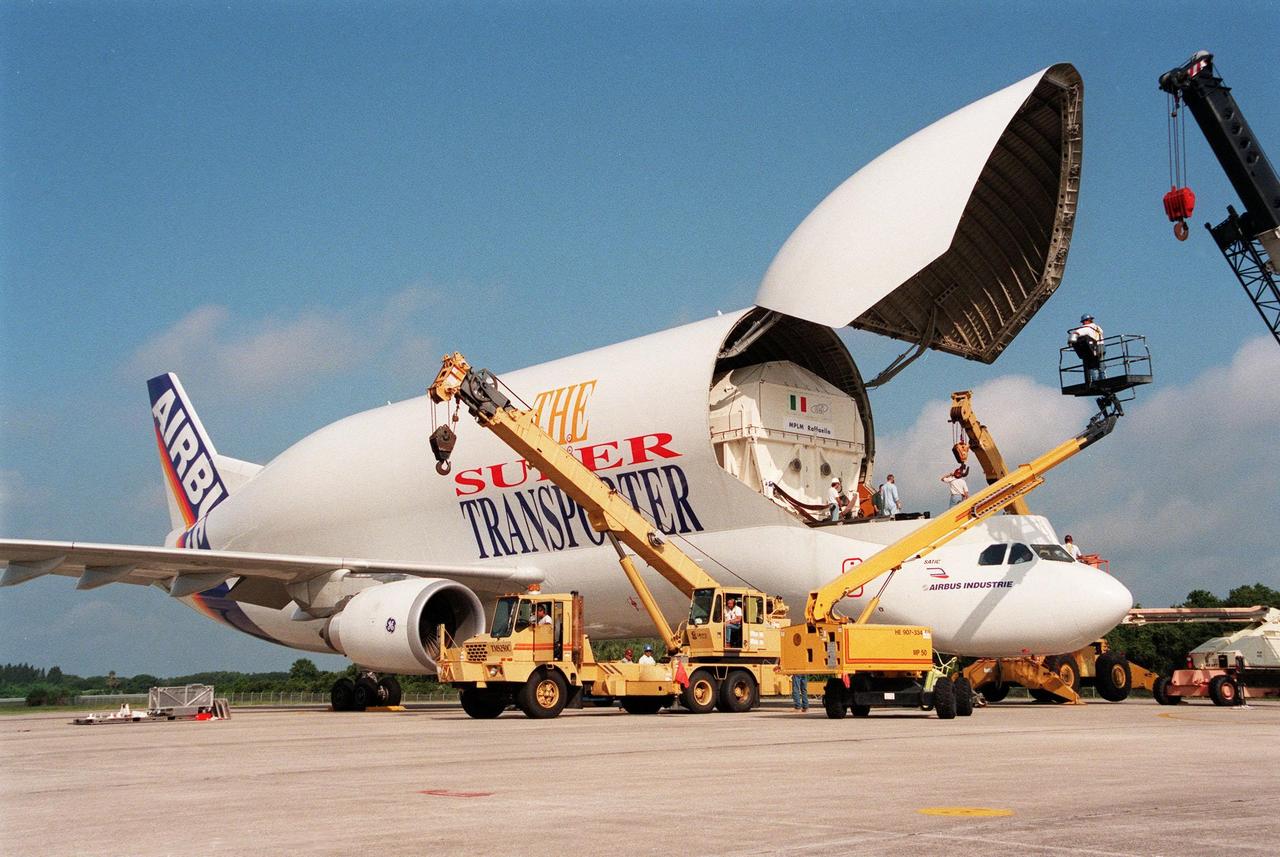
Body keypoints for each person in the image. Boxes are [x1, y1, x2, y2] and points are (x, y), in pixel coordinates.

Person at [1068, 313, 1105, 387]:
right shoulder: (1097, 327)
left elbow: (1076, 333)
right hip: (1102, 347)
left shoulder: (1086, 328)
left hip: (1094, 347)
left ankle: (1096, 381)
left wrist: (1070, 341)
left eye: (1083, 321)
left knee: (1092, 366)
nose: (1083, 323)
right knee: (1101, 365)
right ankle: (1103, 380)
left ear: (1086, 321)